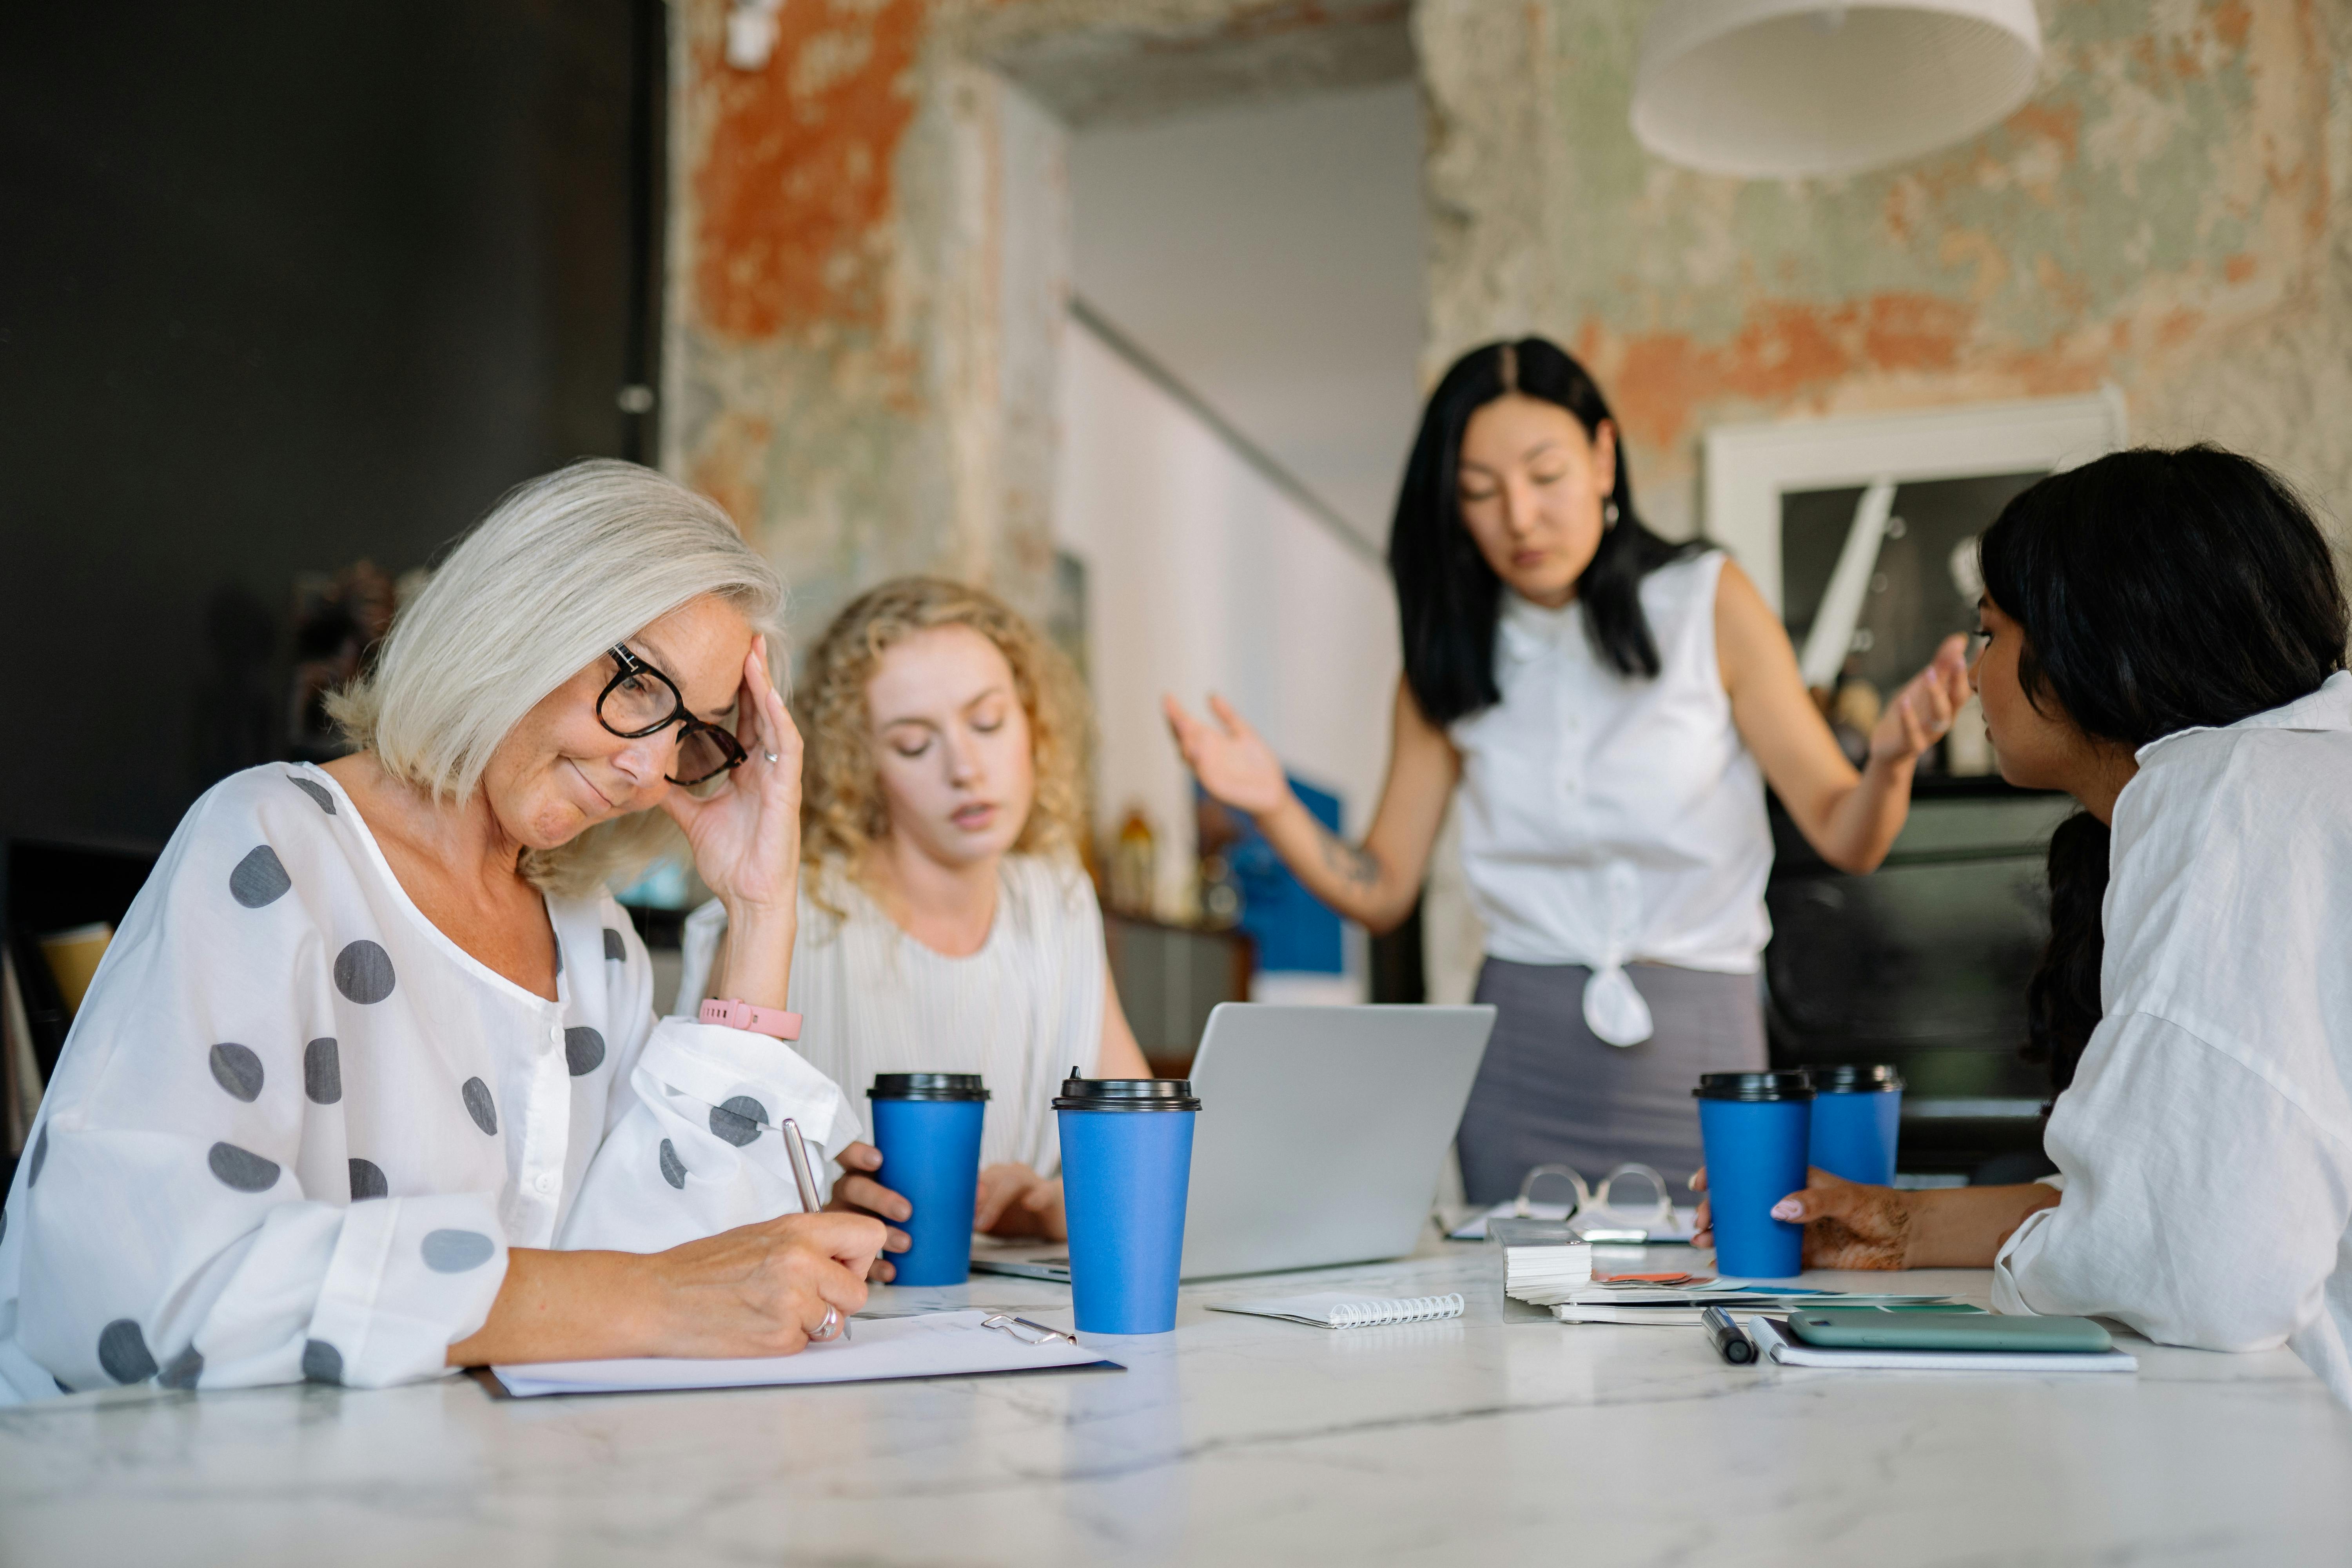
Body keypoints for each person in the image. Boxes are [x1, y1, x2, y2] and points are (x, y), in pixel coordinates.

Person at [0, 461, 887, 1401]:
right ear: (523, 616)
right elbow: (127, 1274)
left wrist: (760, 907)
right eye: (640, 689)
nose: (647, 768)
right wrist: (646, 1295)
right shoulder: (272, 843)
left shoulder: (597, 942)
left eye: (694, 737)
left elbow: (670, 1290)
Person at [1167, 337, 1970, 1203]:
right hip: (1519, 1052)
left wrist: (1889, 763)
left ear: (1601, 458)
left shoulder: (1707, 601)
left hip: (1702, 1041)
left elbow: (1846, 834)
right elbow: (1383, 885)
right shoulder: (1448, 661)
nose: (1519, 516)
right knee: (1517, 1322)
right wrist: (1275, 802)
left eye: (1545, 475)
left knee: (1709, 1301)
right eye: (1480, 491)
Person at [1694, 445, 2352, 1404]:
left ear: (2095, 641)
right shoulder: (2275, 784)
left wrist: (2036, 1259)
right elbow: (2162, 1197)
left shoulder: (2234, 803)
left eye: (1990, 632)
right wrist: (1901, 1222)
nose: (1971, 672)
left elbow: (2205, 1256)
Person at [676, 578, 1149, 1262]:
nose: (966, 769)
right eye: (913, 745)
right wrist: (810, 1210)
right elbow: (696, 1181)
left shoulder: (1058, 902)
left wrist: (1055, 1209)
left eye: (988, 724)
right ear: (860, 768)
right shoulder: (779, 910)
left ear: (1034, 724)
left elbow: (1137, 1155)